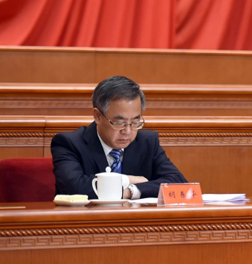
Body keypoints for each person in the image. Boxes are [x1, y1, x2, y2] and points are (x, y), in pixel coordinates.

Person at [51, 76, 187, 199]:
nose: (127, 131)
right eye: (119, 123)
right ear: (97, 116)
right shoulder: (69, 143)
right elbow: (74, 188)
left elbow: (178, 183)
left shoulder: (147, 142)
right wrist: (126, 180)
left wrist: (131, 191)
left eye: (135, 122)